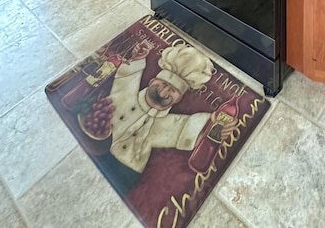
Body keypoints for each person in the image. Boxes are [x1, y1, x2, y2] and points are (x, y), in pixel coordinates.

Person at [97, 40, 235, 193]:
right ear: (151, 81)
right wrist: (138, 57)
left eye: (172, 90)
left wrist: (215, 125)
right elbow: (128, 76)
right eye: (162, 84)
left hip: (127, 172)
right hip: (97, 144)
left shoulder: (171, 123)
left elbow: (190, 126)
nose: (163, 93)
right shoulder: (127, 93)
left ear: (179, 99)